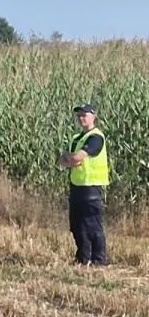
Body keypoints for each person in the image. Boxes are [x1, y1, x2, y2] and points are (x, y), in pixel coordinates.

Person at [57, 103, 109, 266]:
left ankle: (99, 260)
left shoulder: (96, 137)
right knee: (77, 225)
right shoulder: (76, 138)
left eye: (84, 115)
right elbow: (62, 161)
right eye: (79, 115)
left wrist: (69, 158)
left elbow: (76, 158)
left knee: (92, 225)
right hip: (77, 185)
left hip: (91, 187)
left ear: (94, 117)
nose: (81, 118)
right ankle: (83, 258)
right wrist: (69, 159)